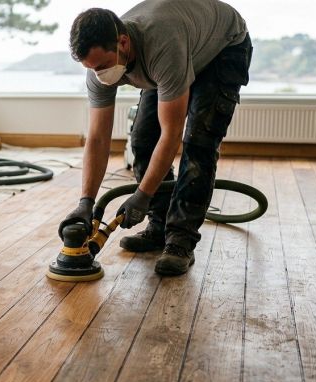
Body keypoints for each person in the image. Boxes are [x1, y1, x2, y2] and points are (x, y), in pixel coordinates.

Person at [59, 0, 252, 276]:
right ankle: (159, 226)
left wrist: (142, 194)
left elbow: (171, 135)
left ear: (123, 42)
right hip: (173, 52)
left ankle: (180, 241)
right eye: (92, 68)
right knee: (141, 140)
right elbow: (98, 139)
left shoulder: (162, 45)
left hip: (221, 48)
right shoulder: (99, 69)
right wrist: (85, 202)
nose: (100, 76)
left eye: (102, 65)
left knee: (198, 143)